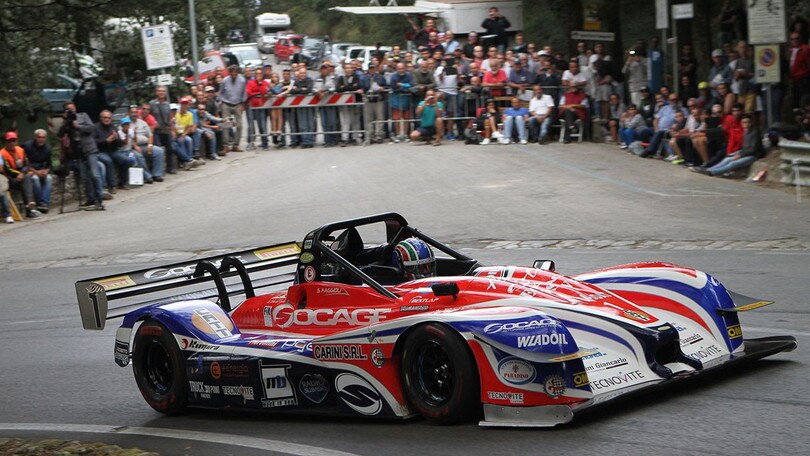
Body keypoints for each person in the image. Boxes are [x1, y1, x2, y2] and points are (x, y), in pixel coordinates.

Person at [2, 131, 41, 218]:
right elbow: (7, 169)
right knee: (27, 181)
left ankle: (30, 207)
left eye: (14, 140)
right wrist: (18, 175)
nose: (12, 143)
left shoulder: (21, 150)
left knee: (26, 180)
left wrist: (22, 174)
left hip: (22, 176)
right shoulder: (2, 153)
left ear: (16, 141)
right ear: (6, 142)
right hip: (10, 178)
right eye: (10, 141)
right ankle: (31, 208)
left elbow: (27, 164)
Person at [94, 110, 129, 193]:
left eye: (109, 118)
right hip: (100, 151)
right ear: (101, 118)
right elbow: (93, 142)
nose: (107, 119)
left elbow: (120, 144)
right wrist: (106, 141)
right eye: (105, 118)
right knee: (108, 161)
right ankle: (112, 186)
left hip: (113, 151)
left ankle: (123, 183)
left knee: (125, 160)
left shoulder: (113, 127)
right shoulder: (95, 128)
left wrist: (116, 138)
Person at [129, 105, 165, 182]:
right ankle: (148, 176)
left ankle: (157, 174)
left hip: (145, 145)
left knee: (159, 151)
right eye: (132, 112)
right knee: (138, 156)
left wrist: (150, 144)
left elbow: (150, 135)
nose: (134, 114)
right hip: (132, 148)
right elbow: (126, 138)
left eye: (135, 112)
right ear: (129, 113)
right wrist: (135, 146)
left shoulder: (143, 123)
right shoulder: (126, 123)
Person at [21, 129, 52, 213]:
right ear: (35, 137)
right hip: (31, 170)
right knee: (35, 179)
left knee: (49, 178)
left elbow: (49, 164)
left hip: (41, 169)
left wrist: (46, 171)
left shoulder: (47, 148)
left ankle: (44, 203)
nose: (41, 139)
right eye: (39, 137)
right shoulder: (27, 146)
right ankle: (39, 203)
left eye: (43, 137)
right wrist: (36, 172)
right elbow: (24, 163)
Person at [218, 64, 247, 151]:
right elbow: (221, 92)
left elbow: (244, 93)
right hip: (226, 103)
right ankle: (225, 145)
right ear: (229, 72)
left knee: (239, 125)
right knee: (226, 124)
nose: (234, 74)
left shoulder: (242, 80)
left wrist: (243, 104)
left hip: (238, 103)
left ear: (237, 72)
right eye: (232, 72)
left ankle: (236, 144)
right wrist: (222, 101)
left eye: (235, 72)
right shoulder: (224, 81)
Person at [336, 63, 364, 146]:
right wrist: (352, 88)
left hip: (355, 101)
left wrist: (345, 87)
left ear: (353, 69)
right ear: (344, 69)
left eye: (350, 68)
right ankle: (345, 138)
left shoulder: (356, 77)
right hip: (344, 102)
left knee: (355, 120)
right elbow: (338, 89)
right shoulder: (341, 78)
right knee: (345, 121)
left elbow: (358, 86)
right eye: (346, 68)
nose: (348, 70)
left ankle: (355, 137)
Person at [389, 62, 414, 142]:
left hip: (406, 99)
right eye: (399, 68)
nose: (401, 70)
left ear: (405, 68)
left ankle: (406, 135)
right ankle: (398, 134)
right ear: (397, 69)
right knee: (396, 118)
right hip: (396, 99)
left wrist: (401, 85)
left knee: (406, 118)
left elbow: (411, 85)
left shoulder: (409, 75)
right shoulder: (393, 76)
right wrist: (404, 86)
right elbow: (394, 87)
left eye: (402, 68)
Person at [246, 67, 270, 150]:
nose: (258, 75)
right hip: (252, 106)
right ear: (254, 74)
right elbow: (248, 92)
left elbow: (264, 92)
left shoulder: (265, 83)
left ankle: (265, 143)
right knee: (251, 126)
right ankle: (250, 142)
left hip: (261, 106)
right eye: (257, 74)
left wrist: (259, 85)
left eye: (260, 74)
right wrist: (257, 92)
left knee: (262, 125)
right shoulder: (250, 82)